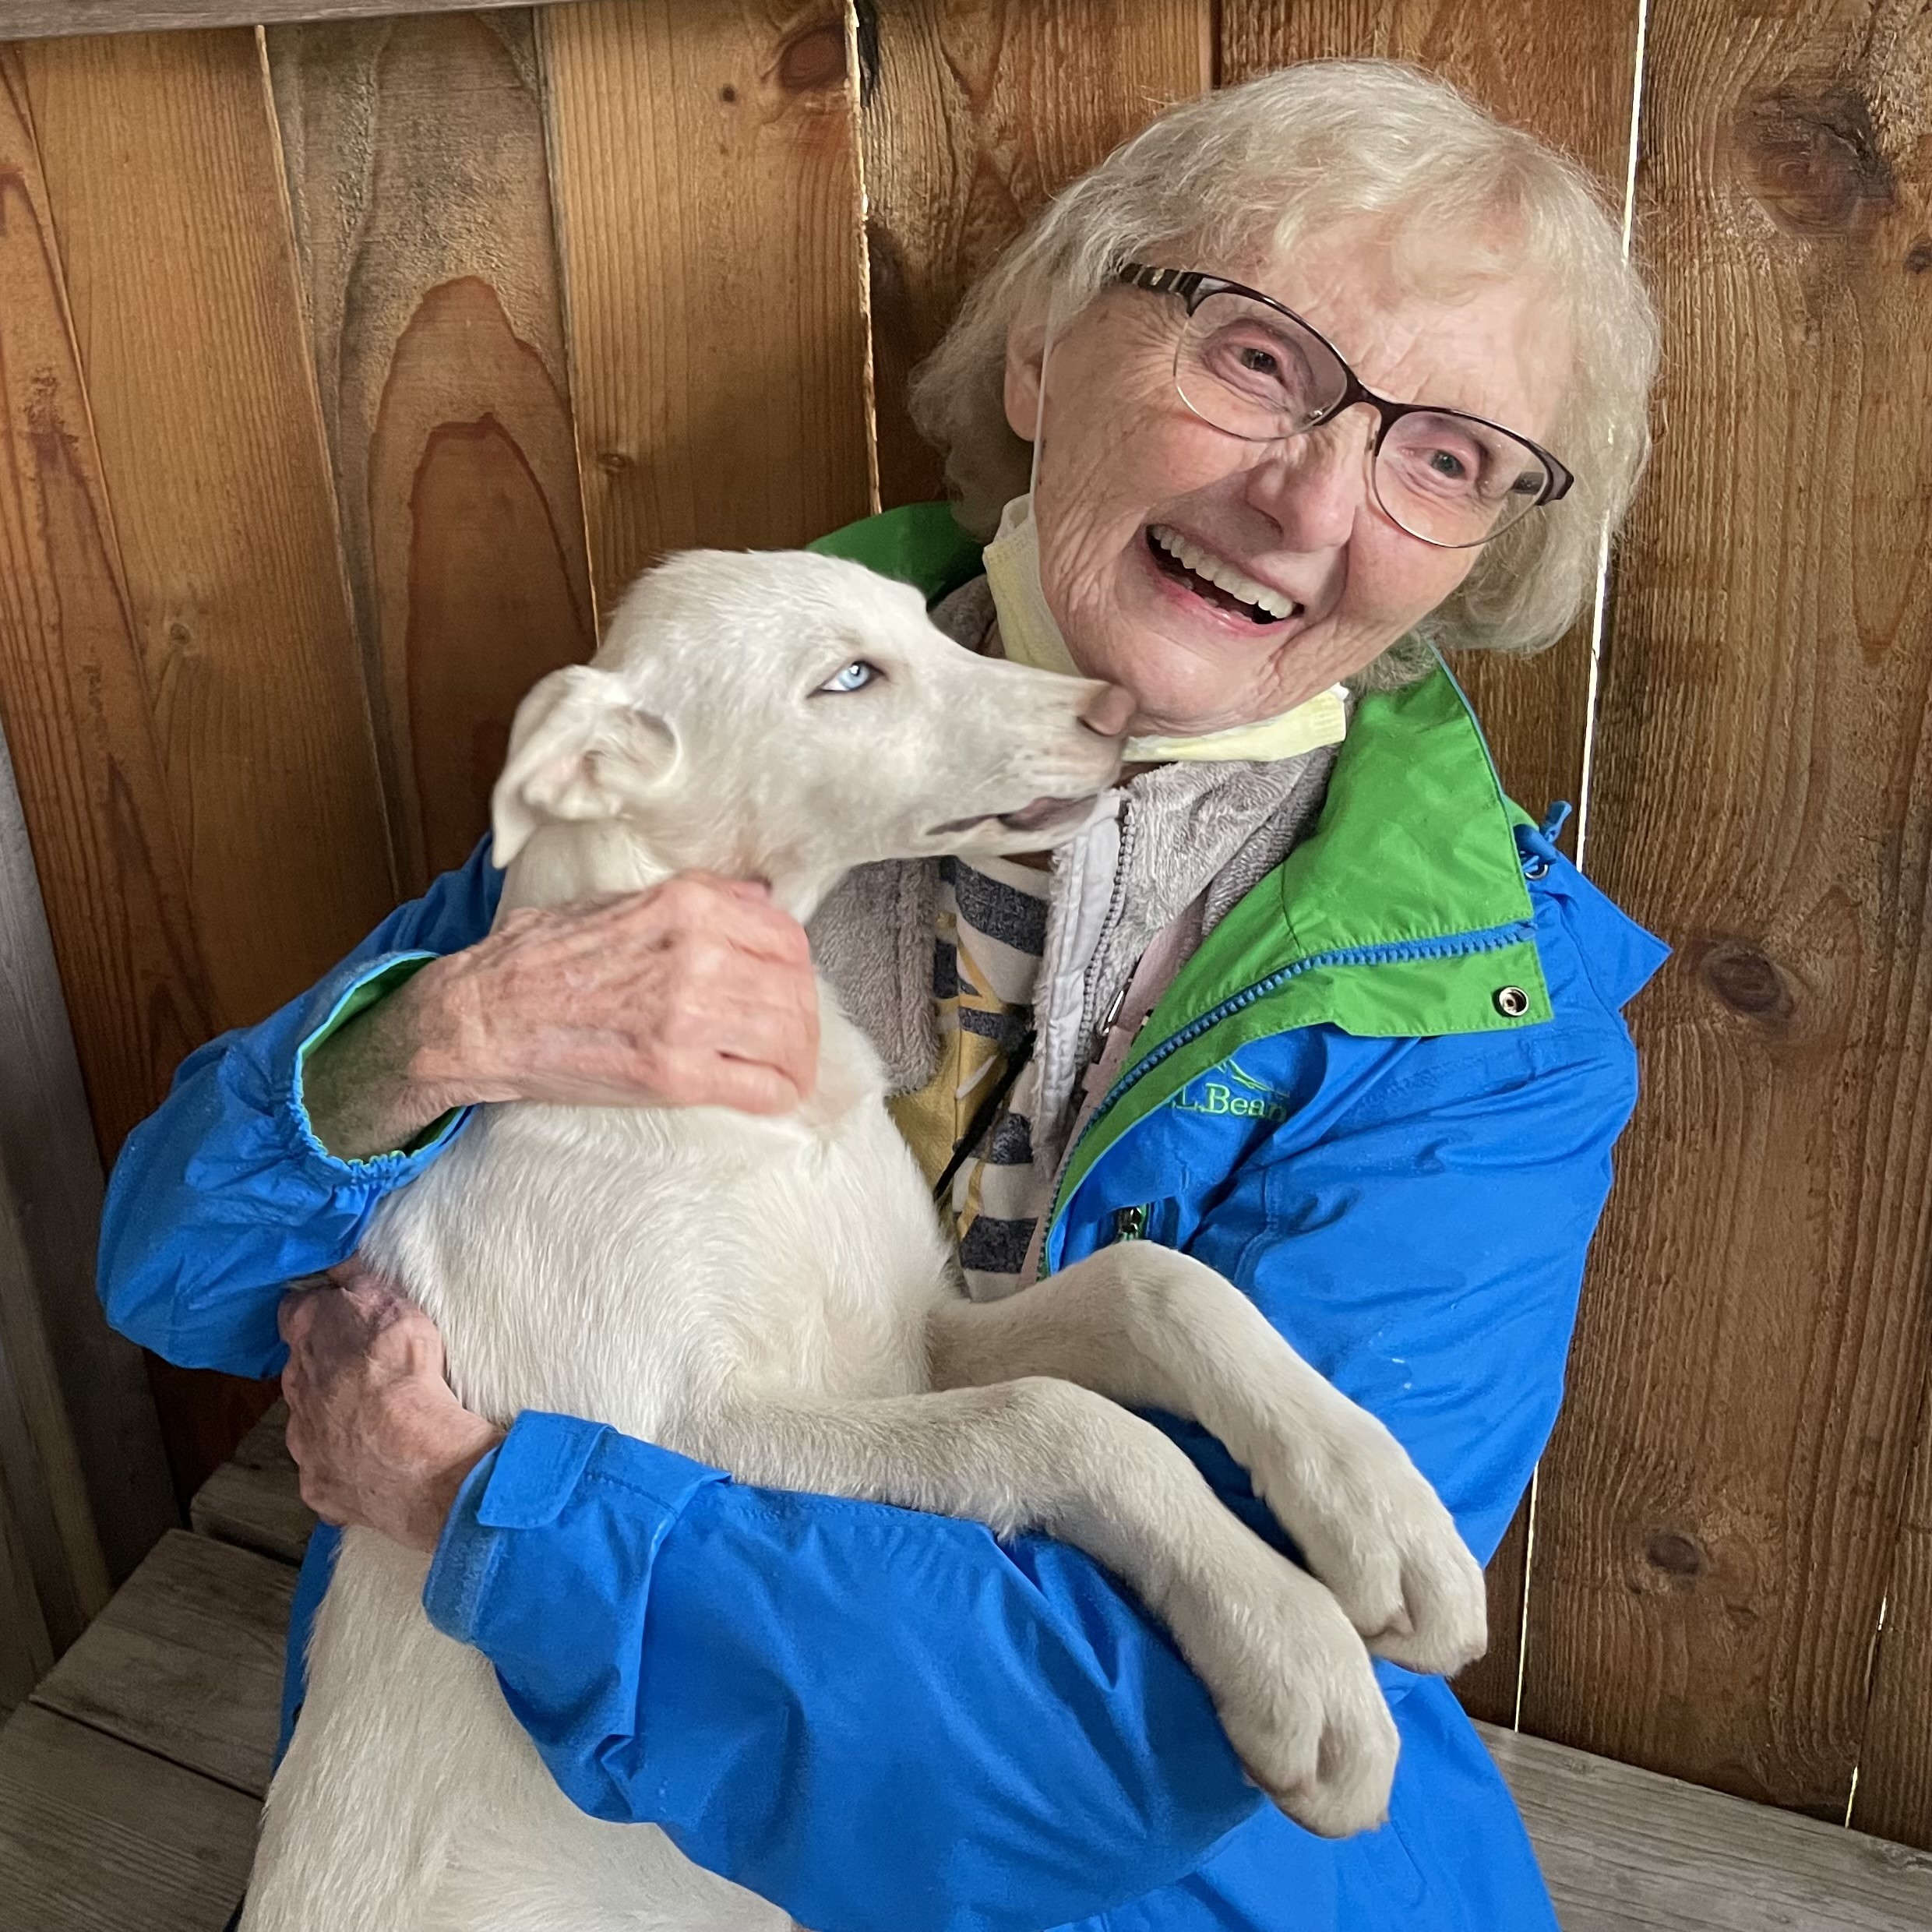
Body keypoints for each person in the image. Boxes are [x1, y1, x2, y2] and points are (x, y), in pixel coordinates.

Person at [101, 60, 1666, 1932]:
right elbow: (177, 1276)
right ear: (1040, 355)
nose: (1309, 500)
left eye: (1446, 456)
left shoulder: (1482, 1032)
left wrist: (481, 1512)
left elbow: (1099, 1760)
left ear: (1485, 545)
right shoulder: (714, 726)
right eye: (1258, 357)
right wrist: (436, 1034)